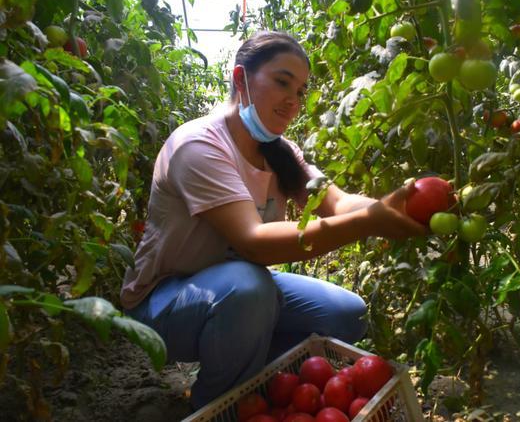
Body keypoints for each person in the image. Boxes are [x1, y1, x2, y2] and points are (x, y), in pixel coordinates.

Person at [120, 30, 426, 410]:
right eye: (283, 82)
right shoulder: (198, 145)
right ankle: (217, 406)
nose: (293, 100)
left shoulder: (283, 154)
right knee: (250, 288)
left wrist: (397, 206)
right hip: (162, 302)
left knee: (346, 313)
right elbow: (253, 241)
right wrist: (369, 223)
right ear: (240, 79)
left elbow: (338, 203)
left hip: (233, 286)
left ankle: (255, 373)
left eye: (300, 91)